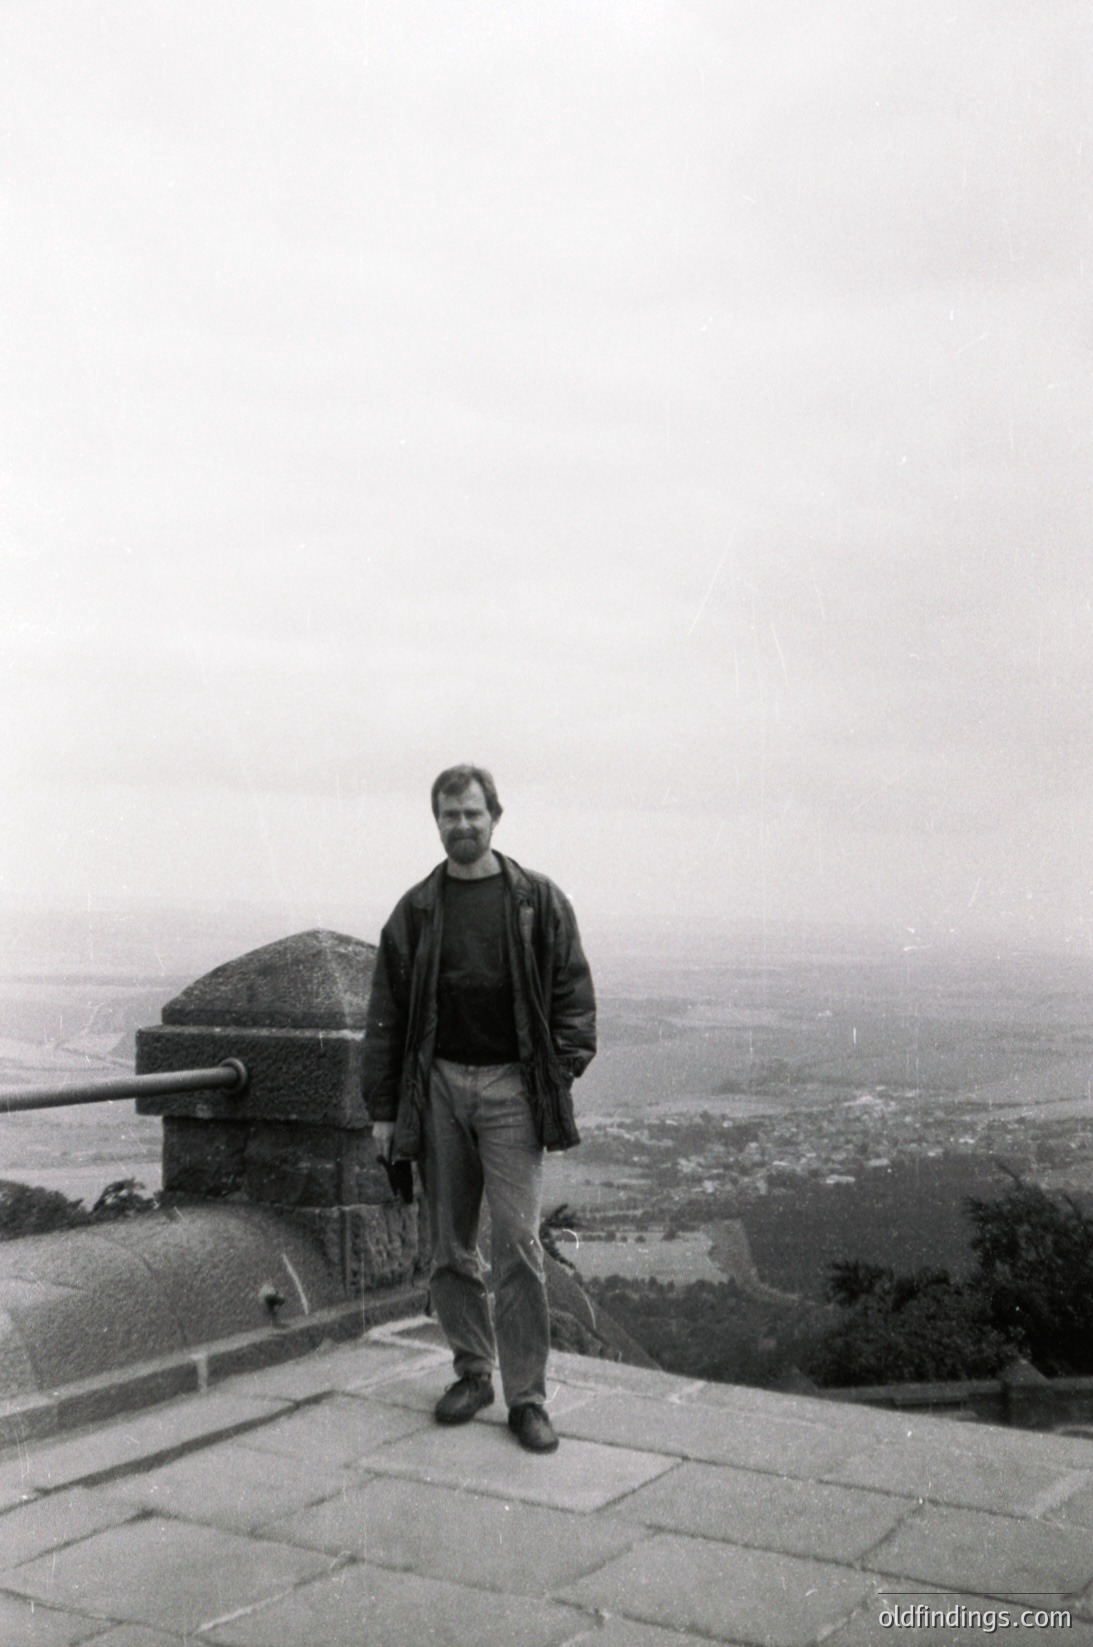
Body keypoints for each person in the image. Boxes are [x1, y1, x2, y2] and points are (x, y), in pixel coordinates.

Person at [363, 764, 596, 1453]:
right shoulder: (415, 911)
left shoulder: (536, 901)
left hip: (510, 1091)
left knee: (518, 1245)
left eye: (471, 812)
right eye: (448, 815)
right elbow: (386, 1017)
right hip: (436, 1088)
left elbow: (574, 1002)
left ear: (494, 815)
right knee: (447, 1243)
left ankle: (527, 1397)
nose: (460, 825)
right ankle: (472, 1371)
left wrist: (548, 1077)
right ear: (435, 822)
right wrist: (383, 1110)